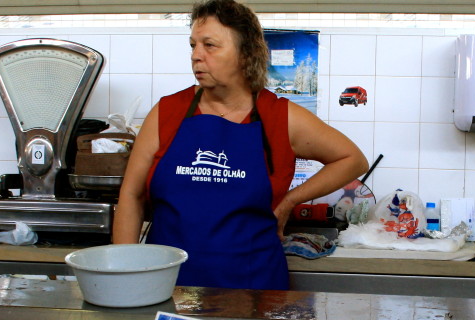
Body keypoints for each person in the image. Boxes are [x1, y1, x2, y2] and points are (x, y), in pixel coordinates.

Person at [112, 0, 368, 290]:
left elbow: (353, 159)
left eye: (210, 45)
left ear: (246, 54)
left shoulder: (281, 117)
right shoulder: (167, 113)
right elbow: (131, 196)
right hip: (167, 287)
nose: (196, 56)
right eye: (193, 45)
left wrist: (290, 200)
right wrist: (125, 274)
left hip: (253, 288)